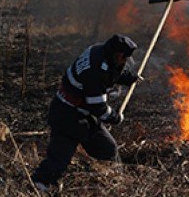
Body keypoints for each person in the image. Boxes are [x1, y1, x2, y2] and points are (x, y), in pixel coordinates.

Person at [31, 34, 142, 191]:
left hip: (85, 116)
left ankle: (112, 180)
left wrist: (129, 78)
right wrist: (116, 118)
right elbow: (99, 108)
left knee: (108, 149)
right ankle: (38, 184)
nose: (125, 62)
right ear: (118, 55)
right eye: (124, 58)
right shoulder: (95, 72)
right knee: (59, 159)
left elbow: (111, 71)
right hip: (67, 115)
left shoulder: (100, 50)